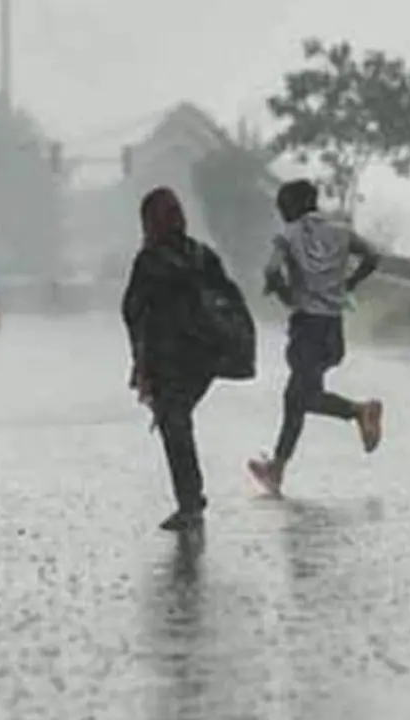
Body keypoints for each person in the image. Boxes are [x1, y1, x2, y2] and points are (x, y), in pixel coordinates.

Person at [247, 179, 384, 495]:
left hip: (306, 327)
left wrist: (284, 294)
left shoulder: (289, 235)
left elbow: (271, 270)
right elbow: (373, 256)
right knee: (295, 398)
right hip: (333, 330)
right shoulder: (340, 231)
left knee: (302, 397)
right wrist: (348, 285)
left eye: (283, 210)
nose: (282, 216)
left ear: (292, 207)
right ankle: (276, 469)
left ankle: (360, 411)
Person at [121, 186, 241, 532]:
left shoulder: (150, 260)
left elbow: (132, 310)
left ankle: (190, 502)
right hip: (204, 358)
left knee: (174, 424)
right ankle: (191, 498)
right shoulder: (203, 255)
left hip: (168, 358)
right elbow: (228, 299)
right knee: (178, 421)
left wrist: (139, 359)